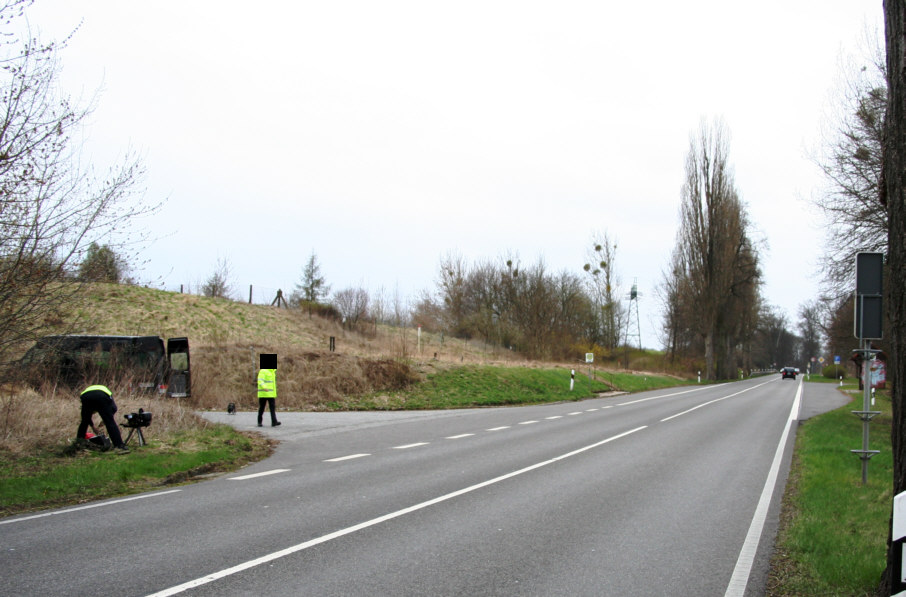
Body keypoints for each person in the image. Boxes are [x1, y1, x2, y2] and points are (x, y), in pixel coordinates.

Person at [77, 384, 129, 454]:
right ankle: (119, 446)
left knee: (84, 422)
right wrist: (106, 420)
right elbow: (114, 408)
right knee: (110, 423)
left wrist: (93, 426)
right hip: (101, 396)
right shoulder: (105, 391)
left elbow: (86, 417)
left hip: (85, 397)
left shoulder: (88, 393)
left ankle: (78, 445)